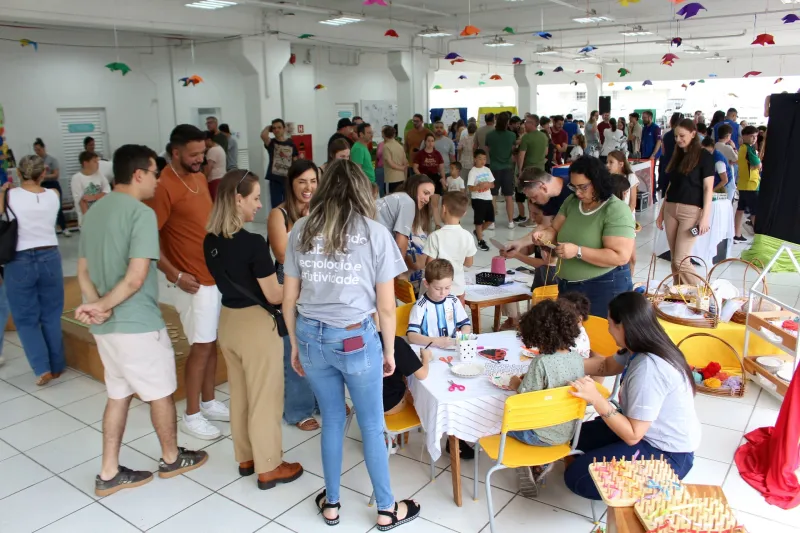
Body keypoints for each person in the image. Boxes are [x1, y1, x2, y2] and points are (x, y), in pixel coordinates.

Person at [282, 159, 421, 530]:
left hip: (311, 335)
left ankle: (331, 504)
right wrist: (390, 351)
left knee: (332, 420)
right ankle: (387, 509)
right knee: (372, 425)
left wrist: (295, 345)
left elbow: (288, 299)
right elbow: (386, 306)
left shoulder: (300, 229)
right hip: (357, 339)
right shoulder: (376, 234)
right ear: (362, 191)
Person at [75, 144, 208, 497]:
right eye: (153, 173)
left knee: (118, 396)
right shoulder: (140, 214)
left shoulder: (94, 212)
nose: (156, 180)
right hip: (138, 325)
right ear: (138, 175)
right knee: (161, 394)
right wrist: (105, 304)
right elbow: (136, 278)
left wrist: (96, 306)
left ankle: (108, 472)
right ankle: (170, 457)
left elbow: (83, 271)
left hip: (107, 330)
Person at [204, 169, 304, 490]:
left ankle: (246, 457)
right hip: (255, 327)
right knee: (266, 398)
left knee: (241, 395)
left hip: (229, 322)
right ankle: (270, 466)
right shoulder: (252, 243)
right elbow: (274, 295)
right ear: (238, 199)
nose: (260, 205)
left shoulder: (210, 241)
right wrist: (302, 285)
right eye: (256, 198)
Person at [564, 292, 700, 500]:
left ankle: (657, 483)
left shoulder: (649, 369)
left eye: (610, 323)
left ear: (623, 326)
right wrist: (555, 365)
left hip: (666, 454)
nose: (608, 330)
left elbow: (632, 434)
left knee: (577, 478)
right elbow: (606, 365)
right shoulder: (639, 344)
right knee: (569, 436)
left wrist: (597, 399)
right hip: (641, 433)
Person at [146, 124, 229, 440]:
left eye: (202, 153)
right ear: (175, 152)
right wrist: (175, 274)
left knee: (211, 343)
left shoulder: (196, 176)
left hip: (212, 274)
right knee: (200, 347)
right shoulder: (163, 186)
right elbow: (147, 238)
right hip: (190, 281)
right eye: (194, 155)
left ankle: (208, 401)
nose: (200, 160)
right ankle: (191, 414)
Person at [506, 156, 635, 317]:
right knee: (570, 336)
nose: (578, 192)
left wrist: (577, 251)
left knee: (599, 336)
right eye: (574, 187)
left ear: (598, 181)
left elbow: (620, 256)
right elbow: (554, 229)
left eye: (583, 187)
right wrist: (543, 235)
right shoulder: (572, 202)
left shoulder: (616, 210)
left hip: (604, 286)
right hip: (568, 287)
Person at [506, 298, 589, 497]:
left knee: (498, 421)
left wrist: (516, 384)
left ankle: (527, 459)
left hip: (537, 435)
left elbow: (525, 398)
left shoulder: (541, 362)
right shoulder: (577, 358)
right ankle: (541, 462)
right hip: (568, 433)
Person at [1, 155, 66, 386]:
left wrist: (4, 191)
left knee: (26, 318)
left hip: (19, 260)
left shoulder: (8, 195)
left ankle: (42, 368)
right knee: (51, 314)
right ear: (43, 173)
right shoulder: (53, 195)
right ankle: (57, 365)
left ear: (19, 173)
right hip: (50, 257)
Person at [267, 160, 320, 431]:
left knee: (319, 348)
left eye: (313, 181)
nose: (308, 187)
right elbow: (281, 254)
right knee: (295, 348)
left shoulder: (322, 211)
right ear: (291, 184)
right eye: (302, 182)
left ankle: (322, 400)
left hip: (317, 288)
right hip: (289, 290)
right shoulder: (280, 214)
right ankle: (298, 410)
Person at [656, 119, 715, 283]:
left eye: (682, 135)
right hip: (670, 209)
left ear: (693, 134)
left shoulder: (704, 156)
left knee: (681, 260)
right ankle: (679, 296)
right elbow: (670, 187)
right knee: (675, 259)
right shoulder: (677, 155)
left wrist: (705, 217)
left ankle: (703, 295)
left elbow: (708, 188)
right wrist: (661, 213)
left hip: (690, 211)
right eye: (676, 136)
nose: (678, 139)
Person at [376, 173, 435, 277]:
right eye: (425, 193)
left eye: (430, 196)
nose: (427, 200)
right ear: (414, 187)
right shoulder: (408, 202)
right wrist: (398, 273)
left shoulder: (397, 197)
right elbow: (401, 239)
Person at [423, 192, 477, 304]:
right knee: (457, 319)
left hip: (437, 290)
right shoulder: (467, 236)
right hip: (458, 288)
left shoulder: (435, 236)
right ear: (464, 213)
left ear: (443, 209)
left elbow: (429, 264)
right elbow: (469, 263)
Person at [406, 259, 472, 347]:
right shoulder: (420, 306)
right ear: (426, 284)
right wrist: (435, 341)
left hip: (451, 348)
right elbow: (411, 336)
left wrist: (462, 336)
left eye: (447, 288)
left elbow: (466, 325)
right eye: (437, 288)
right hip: (428, 350)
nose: (443, 293)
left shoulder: (453, 301)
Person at [383, 338, 432, 417]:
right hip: (389, 405)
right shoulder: (396, 343)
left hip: (364, 405)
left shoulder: (357, 341)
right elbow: (422, 375)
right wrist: (425, 357)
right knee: (427, 404)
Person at [485, 113, 518, 227]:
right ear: (507, 122)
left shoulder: (490, 135)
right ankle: (510, 222)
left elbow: (488, 149)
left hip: (494, 168)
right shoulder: (512, 135)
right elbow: (513, 150)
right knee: (508, 196)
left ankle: (492, 222)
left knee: (493, 196)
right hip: (507, 168)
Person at [33, 138, 70, 236]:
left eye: (39, 149)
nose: (37, 152)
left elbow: (56, 175)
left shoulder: (52, 160)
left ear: (43, 148)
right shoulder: (35, 162)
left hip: (52, 184)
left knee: (58, 207)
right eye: (35, 150)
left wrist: (43, 176)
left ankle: (64, 228)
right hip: (41, 186)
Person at [261, 119, 299, 208]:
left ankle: (288, 220)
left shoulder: (291, 143)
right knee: (276, 205)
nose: (276, 130)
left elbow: (295, 161)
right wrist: (268, 128)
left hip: (288, 178)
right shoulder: (272, 143)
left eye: (279, 127)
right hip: (275, 179)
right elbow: (263, 135)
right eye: (274, 128)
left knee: (289, 203)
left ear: (284, 128)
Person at [413, 132, 446, 227]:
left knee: (434, 204)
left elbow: (441, 168)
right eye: (428, 141)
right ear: (425, 142)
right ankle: (424, 223)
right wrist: (421, 176)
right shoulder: (420, 154)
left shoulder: (437, 154)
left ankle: (437, 225)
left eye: (432, 141)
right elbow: (415, 167)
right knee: (425, 204)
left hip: (435, 179)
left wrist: (443, 179)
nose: (430, 143)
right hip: (424, 180)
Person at [735, 125, 762, 243]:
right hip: (751, 185)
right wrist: (757, 165)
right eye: (752, 136)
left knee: (740, 210)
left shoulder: (742, 148)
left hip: (743, 184)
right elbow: (758, 164)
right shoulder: (748, 149)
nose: (754, 139)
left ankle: (737, 233)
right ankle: (758, 237)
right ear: (744, 136)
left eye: (755, 136)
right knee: (755, 212)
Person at [71, 151, 111, 227]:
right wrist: (89, 222)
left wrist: (94, 197)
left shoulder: (99, 174)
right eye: (94, 161)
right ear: (86, 163)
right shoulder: (77, 178)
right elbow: (81, 201)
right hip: (87, 220)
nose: (98, 164)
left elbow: (107, 192)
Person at [467, 149, 495, 252]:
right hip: (477, 199)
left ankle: (477, 232)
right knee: (479, 221)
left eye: (484, 159)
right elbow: (470, 187)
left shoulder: (487, 170)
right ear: (475, 159)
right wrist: (479, 187)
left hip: (488, 198)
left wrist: (488, 185)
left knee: (490, 220)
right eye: (480, 158)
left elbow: (492, 184)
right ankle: (480, 240)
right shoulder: (473, 172)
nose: (482, 161)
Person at [658, 113, 681, 199]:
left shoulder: (666, 135)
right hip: (678, 166)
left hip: (667, 164)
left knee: (666, 193)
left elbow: (663, 151)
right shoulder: (682, 137)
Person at [714, 124, 738, 202]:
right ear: (728, 136)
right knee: (728, 200)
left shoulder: (715, 146)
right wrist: (734, 147)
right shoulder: (728, 147)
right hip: (728, 175)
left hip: (717, 177)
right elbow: (737, 159)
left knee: (719, 201)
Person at [381, 125, 407, 194]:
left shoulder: (386, 147)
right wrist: (405, 178)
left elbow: (390, 163)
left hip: (391, 179)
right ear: (394, 134)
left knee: (389, 200)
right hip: (401, 178)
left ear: (383, 134)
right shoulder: (400, 146)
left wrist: (401, 168)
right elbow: (405, 162)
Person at [204, 131, 227, 200]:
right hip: (222, 178)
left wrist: (203, 179)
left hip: (215, 180)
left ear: (209, 140)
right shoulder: (219, 147)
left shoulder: (212, 151)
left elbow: (208, 168)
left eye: (203, 141)